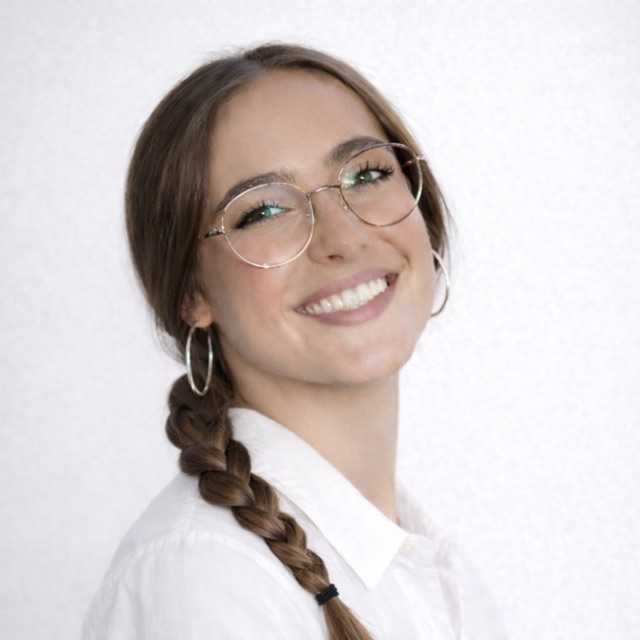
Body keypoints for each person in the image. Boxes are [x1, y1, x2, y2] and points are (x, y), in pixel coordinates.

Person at [82, 42, 507, 639]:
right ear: (192, 294)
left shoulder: (423, 564)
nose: (344, 238)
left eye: (367, 174)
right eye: (263, 211)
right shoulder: (206, 580)